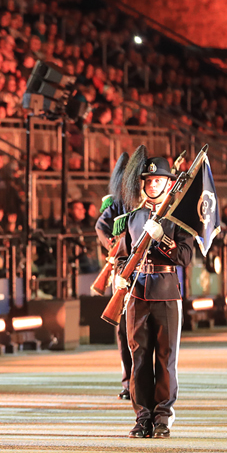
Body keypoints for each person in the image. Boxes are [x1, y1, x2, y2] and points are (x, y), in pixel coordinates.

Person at [115, 147, 193, 439]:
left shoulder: (177, 218)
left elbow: (185, 257)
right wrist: (121, 277)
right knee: (139, 357)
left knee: (165, 357)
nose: (152, 185)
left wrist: (163, 239)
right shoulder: (133, 218)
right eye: (148, 181)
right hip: (137, 293)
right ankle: (142, 416)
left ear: (169, 184)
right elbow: (124, 255)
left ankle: (162, 416)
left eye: (158, 180)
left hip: (166, 291)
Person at [95, 152, 131, 400]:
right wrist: (113, 247)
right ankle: (129, 382)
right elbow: (101, 226)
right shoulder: (117, 203)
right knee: (124, 330)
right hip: (122, 270)